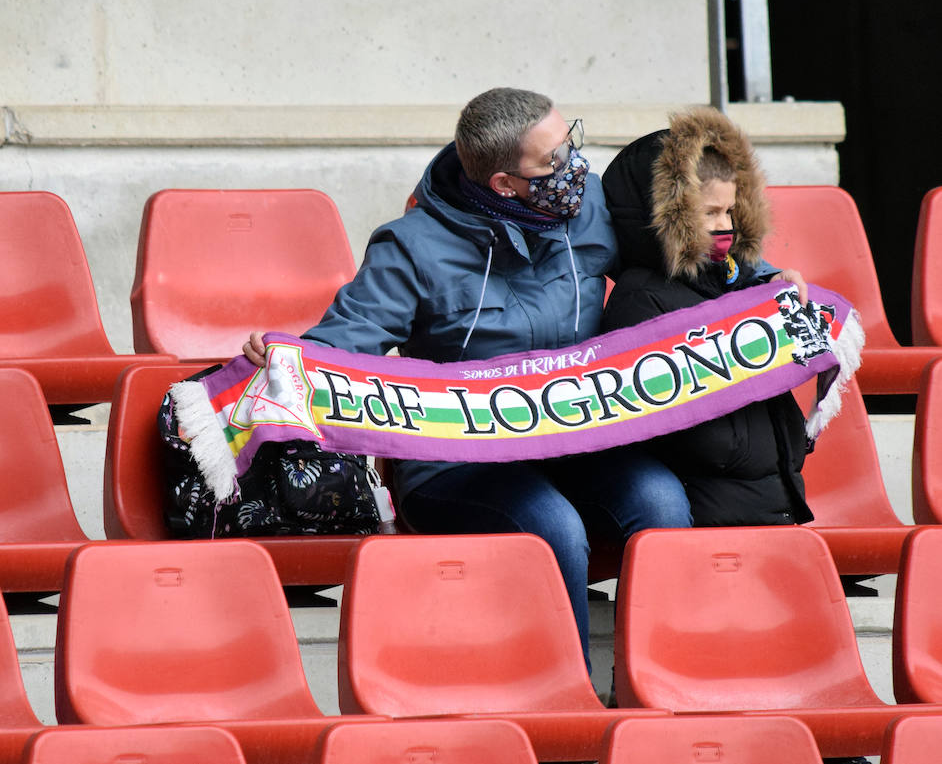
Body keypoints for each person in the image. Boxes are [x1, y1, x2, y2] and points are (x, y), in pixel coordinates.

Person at [244, 87, 806, 670]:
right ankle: (571, 704)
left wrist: (760, 279)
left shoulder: (589, 206)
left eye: (571, 144)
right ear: (504, 183)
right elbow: (348, 336)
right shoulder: (410, 248)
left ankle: (662, 680)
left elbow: (679, 244)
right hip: (456, 463)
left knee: (659, 497)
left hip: (577, 441)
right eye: (553, 161)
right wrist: (287, 358)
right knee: (552, 524)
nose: (575, 168)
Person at [600, 107, 812, 526]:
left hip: (773, 509)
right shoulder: (640, 299)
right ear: (664, 217)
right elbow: (672, 433)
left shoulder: (746, 283)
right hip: (707, 518)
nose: (725, 227)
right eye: (709, 213)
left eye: (731, 212)